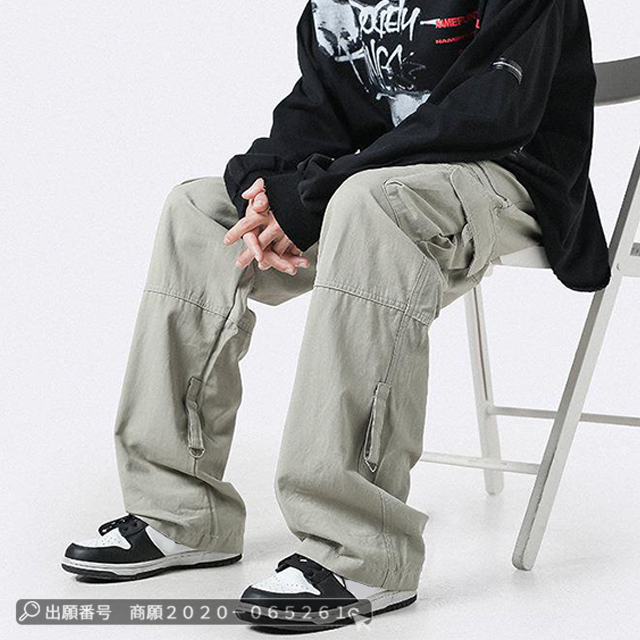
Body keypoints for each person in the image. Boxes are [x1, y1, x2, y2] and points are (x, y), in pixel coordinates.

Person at [62, 0, 610, 631]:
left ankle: (362, 548)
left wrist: (321, 192)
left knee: (369, 204)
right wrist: (265, 188)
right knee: (198, 212)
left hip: (508, 173)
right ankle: (179, 512)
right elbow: (318, 113)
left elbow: (493, 112)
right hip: (381, 176)